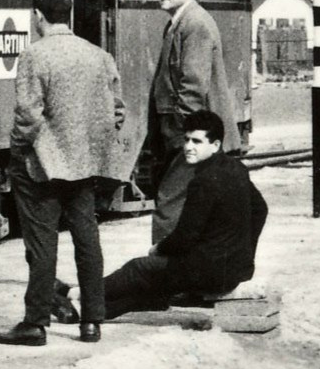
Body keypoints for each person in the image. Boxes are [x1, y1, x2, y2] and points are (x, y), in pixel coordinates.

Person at [0, 0, 126, 347]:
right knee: (87, 239)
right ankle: (92, 322)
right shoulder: (98, 55)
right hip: (83, 165)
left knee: (42, 243)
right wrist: (87, 143)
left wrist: (19, 149)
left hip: (42, 165)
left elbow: (28, 115)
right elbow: (117, 110)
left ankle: (35, 323)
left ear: (38, 15)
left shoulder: (36, 56)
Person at [98, 111, 267, 320]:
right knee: (156, 282)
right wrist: (243, 252)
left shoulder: (202, 181)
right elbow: (261, 209)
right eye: (186, 139)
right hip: (237, 269)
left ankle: (84, 294)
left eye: (197, 141)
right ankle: (104, 309)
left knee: (139, 268)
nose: (188, 147)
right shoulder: (237, 168)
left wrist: (158, 248)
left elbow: (185, 237)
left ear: (215, 145)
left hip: (209, 273)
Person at [148, 0, 242, 244]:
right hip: (184, 129)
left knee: (170, 201)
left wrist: (185, 134)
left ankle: (164, 270)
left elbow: (193, 84)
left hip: (187, 130)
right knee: (188, 201)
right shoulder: (181, 22)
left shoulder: (195, 23)